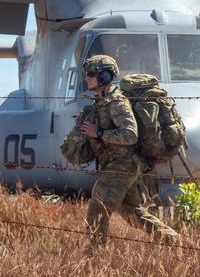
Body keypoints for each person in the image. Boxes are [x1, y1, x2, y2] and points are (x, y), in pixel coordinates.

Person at [61, 55, 168, 245]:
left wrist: (99, 132)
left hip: (123, 165)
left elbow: (130, 135)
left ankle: (93, 254)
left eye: (91, 74)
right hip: (118, 165)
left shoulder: (117, 102)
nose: (86, 78)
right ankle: (175, 241)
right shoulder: (102, 102)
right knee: (132, 213)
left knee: (98, 204)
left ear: (104, 77)